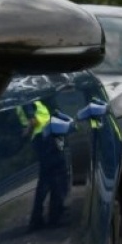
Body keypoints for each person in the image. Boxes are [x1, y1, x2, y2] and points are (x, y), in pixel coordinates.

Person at [21, 98, 72, 229]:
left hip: (44, 139)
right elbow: (33, 121)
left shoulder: (31, 98)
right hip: (45, 139)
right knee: (56, 177)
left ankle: (38, 218)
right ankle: (55, 215)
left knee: (46, 180)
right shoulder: (26, 98)